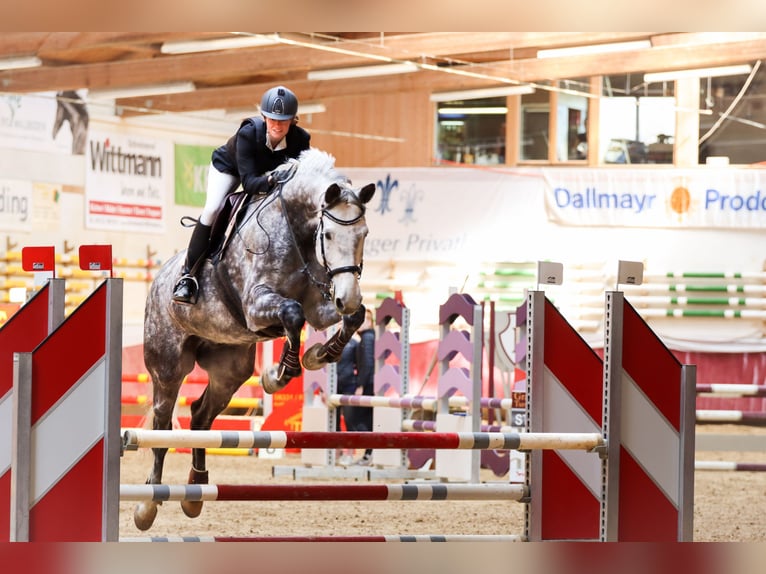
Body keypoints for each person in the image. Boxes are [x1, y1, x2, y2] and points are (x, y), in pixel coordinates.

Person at [172, 85, 311, 304]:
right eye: (272, 119)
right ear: (264, 117)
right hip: (230, 169)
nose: (277, 125)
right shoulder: (248, 133)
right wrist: (273, 179)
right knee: (212, 209)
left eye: (283, 120)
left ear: (293, 120)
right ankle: (188, 276)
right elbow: (248, 182)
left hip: (267, 176)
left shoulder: (301, 140)